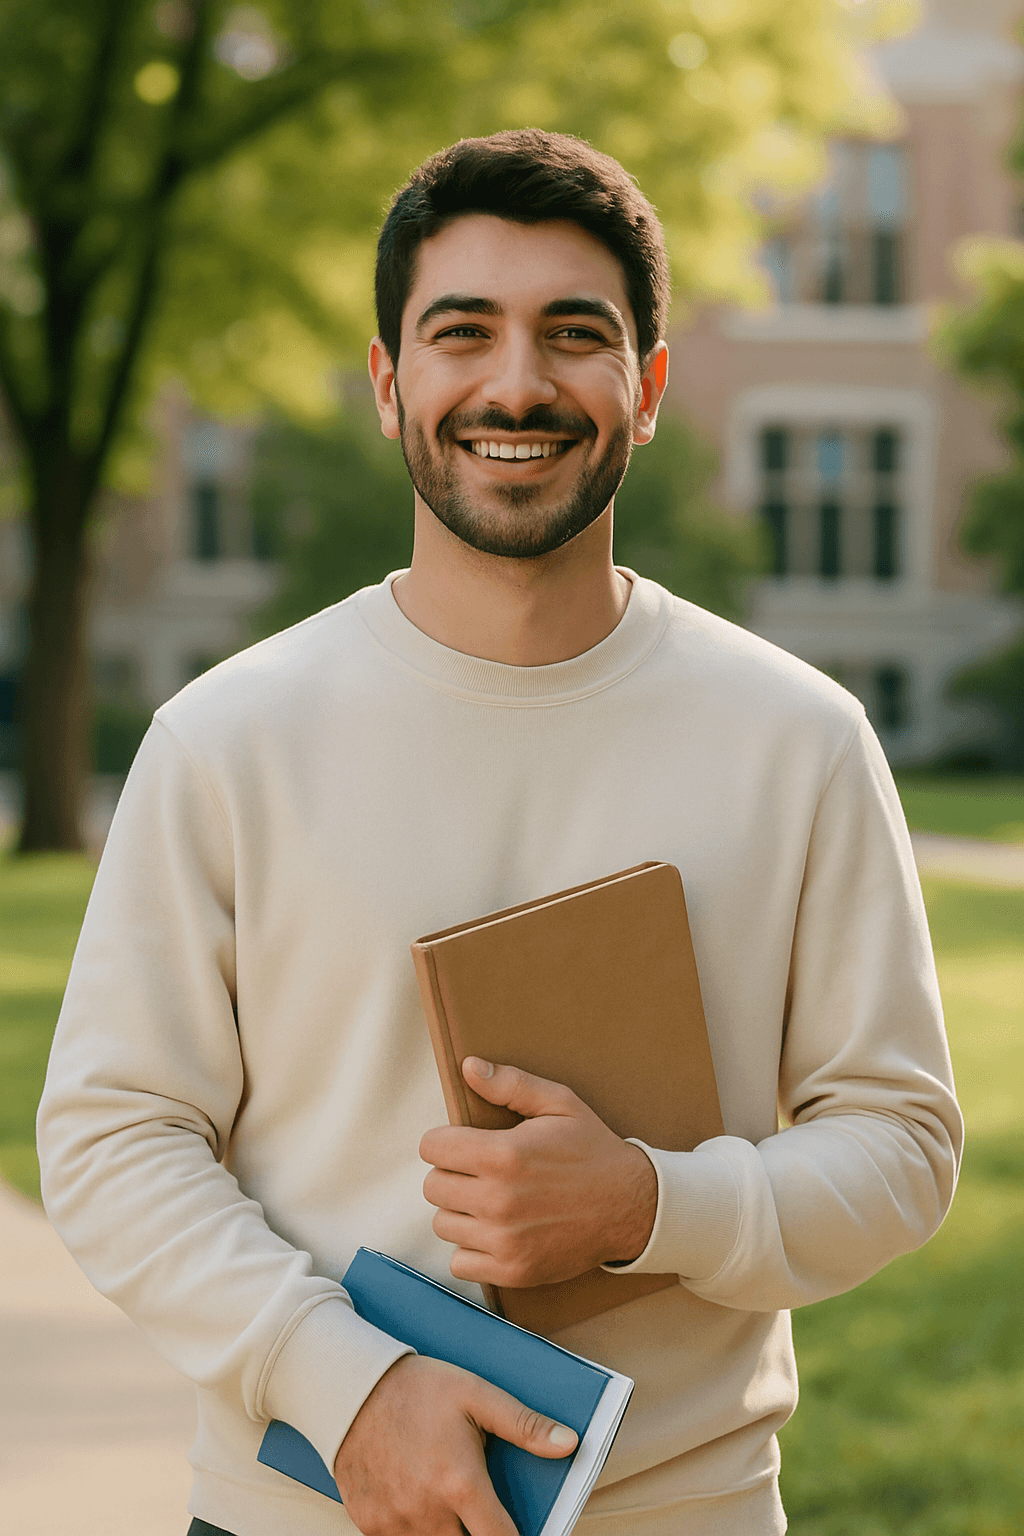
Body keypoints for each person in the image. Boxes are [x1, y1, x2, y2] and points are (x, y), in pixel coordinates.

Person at [37, 130, 962, 1536]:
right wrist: (344, 1385)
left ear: (647, 390)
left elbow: (900, 1142)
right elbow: (115, 1136)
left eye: (573, 334)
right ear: (388, 380)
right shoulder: (229, 740)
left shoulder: (802, 739)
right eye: (462, 331)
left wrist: (650, 1206)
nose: (516, 383)